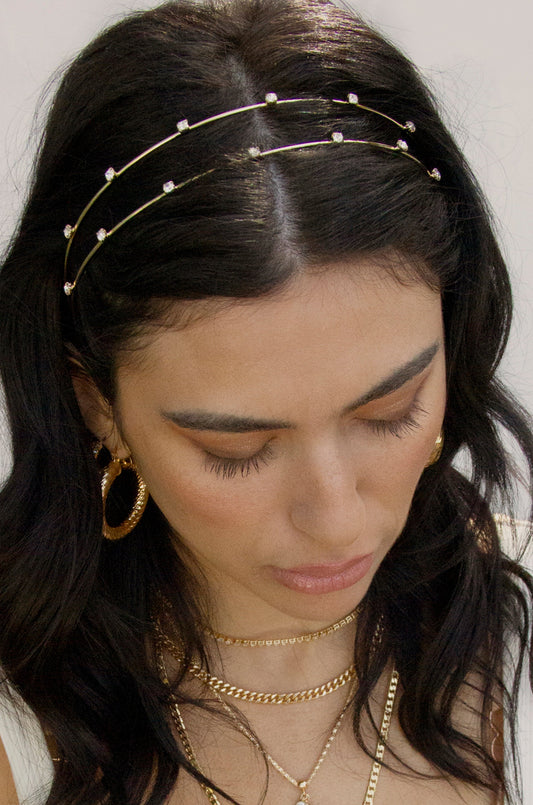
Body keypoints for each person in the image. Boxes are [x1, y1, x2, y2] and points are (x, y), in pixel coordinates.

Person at [0, 0, 532, 802]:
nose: (337, 517)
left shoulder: (511, 639)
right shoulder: (20, 719)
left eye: (390, 409)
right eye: (236, 450)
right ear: (96, 402)